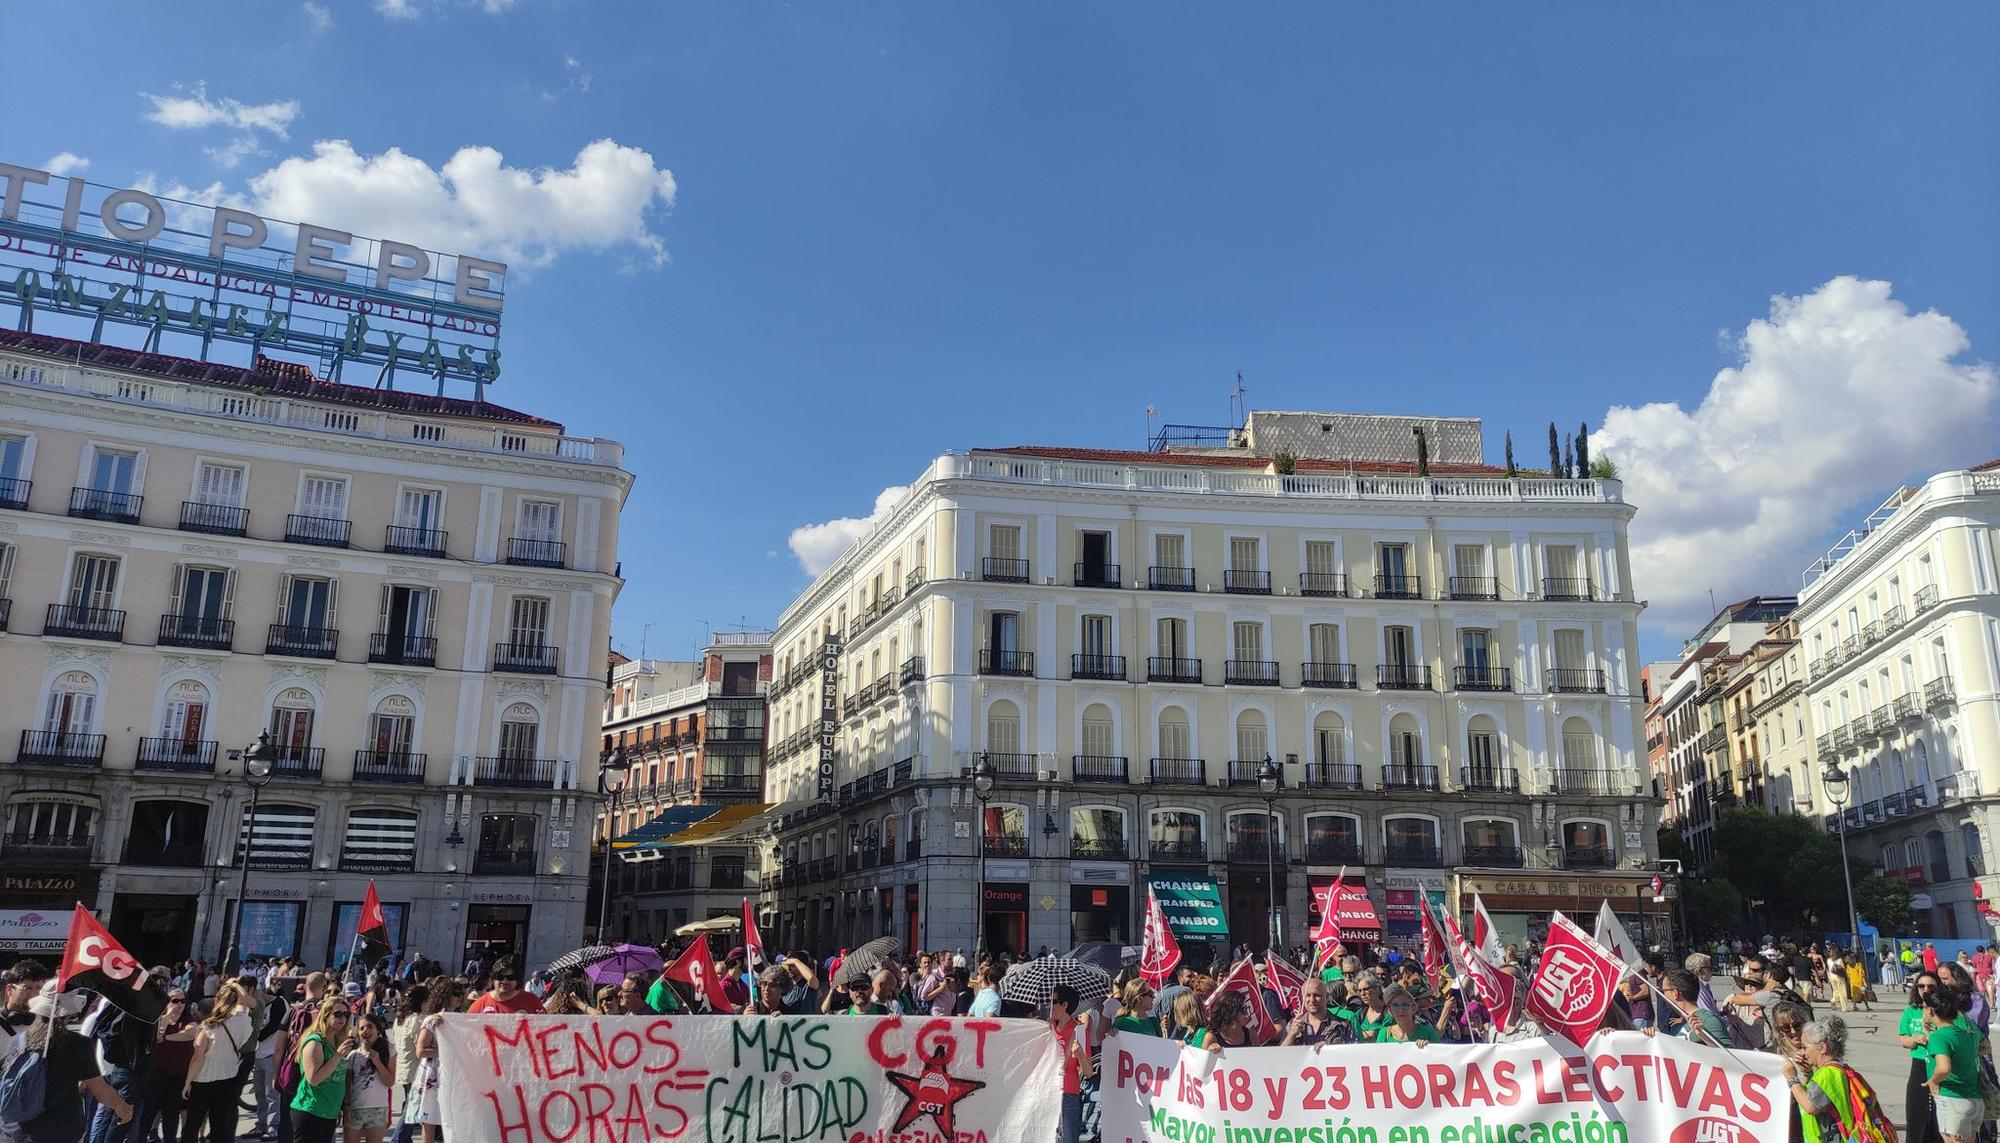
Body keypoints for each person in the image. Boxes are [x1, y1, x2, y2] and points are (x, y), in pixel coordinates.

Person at [13, 980, 132, 1143]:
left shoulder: (20, 1039)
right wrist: (122, 1107)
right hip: (63, 1126)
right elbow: (99, 1088)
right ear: (67, 1012)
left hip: (23, 1124)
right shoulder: (77, 1044)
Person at [1781, 1016, 1892, 1143]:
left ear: (1822, 1048)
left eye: (1805, 1047)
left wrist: (1792, 1078)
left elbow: (1809, 1105)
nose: (1803, 1052)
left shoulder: (1827, 1074)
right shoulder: (1841, 1069)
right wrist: (1806, 1071)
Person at [182, 980, 253, 1143]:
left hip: (203, 1080)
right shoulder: (243, 1021)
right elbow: (245, 1002)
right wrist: (236, 986)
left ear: (216, 1001)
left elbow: (197, 1058)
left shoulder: (208, 1026)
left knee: (192, 1124)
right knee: (219, 1125)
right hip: (227, 1079)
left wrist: (187, 1083)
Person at [131, 988, 197, 1143]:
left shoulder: (188, 1019)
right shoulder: (158, 1018)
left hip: (177, 1075)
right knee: (148, 1113)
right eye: (175, 1000)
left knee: (171, 1115)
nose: (179, 1004)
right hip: (155, 1075)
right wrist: (165, 1022)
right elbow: (154, 1037)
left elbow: (191, 1033)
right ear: (167, 1002)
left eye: (182, 1001)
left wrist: (166, 1037)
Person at [1921, 984, 1982, 1143]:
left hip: (1953, 1098)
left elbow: (1944, 1068)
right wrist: (1930, 1033)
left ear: (1931, 1011)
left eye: (1924, 1007)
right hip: (1974, 1099)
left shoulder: (1940, 1037)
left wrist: (1933, 1081)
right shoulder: (1965, 1033)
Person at [402, 980, 462, 1143]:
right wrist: (445, 1051)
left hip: (452, 1074)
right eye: (455, 994)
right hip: (433, 1074)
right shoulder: (432, 1020)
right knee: (429, 1121)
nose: (459, 998)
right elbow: (420, 1051)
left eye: (460, 994)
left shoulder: (460, 1019)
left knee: (450, 1120)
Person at [287, 1003, 351, 1143]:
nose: (342, 1018)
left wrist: (341, 1106)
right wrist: (338, 1056)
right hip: (311, 1109)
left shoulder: (337, 1040)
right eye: (337, 1014)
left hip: (329, 1111)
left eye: (346, 1015)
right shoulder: (315, 1041)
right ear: (325, 1015)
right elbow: (314, 1079)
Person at [1898, 972, 1943, 1143]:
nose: (1926, 990)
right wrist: (1914, 1039)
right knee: (1917, 1109)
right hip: (1919, 1064)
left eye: (1931, 986)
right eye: (1921, 986)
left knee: (1939, 1113)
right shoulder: (1911, 1011)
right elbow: (1903, 1038)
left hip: (1939, 1062)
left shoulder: (1943, 1009)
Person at [1048, 984, 1092, 1143]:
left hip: (1068, 1094)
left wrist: (1080, 1054)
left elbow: (1088, 1072)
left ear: (1065, 1005)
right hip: (1047, 1092)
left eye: (1053, 1001)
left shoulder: (1079, 1031)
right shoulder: (1048, 1027)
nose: (1049, 1005)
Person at [346, 1012, 397, 1143]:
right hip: (355, 1108)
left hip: (378, 1109)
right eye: (361, 1028)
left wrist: (378, 1062)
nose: (366, 1031)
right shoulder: (353, 1056)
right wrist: (346, 1107)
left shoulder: (388, 1050)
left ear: (378, 1029)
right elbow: (347, 1084)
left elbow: (390, 1082)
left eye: (370, 1026)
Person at [1658, 969, 1728, 1047]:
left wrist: (1705, 1037)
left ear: (1675, 993)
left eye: (1663, 991)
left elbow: (1731, 1055)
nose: (1663, 996)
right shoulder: (1686, 1020)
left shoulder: (1708, 1020)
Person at [1280, 977, 1351, 1045]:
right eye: (1307, 995)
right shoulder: (1293, 1024)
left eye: (1317, 995)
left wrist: (1329, 1049)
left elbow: (1354, 1053)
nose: (1312, 1000)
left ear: (1326, 997)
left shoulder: (1343, 1025)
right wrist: (1291, 1035)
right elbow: (1281, 1054)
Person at [467, 959, 544, 1015]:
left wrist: (543, 1022)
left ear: (517, 979)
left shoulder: (532, 1002)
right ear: (492, 979)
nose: (505, 981)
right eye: (500, 977)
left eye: (510, 977)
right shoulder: (479, 1006)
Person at [1349, 975, 1394, 1043]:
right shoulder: (1360, 1014)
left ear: (1377, 989)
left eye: (1366, 989)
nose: (1362, 993)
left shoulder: (1389, 1013)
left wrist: (1374, 1034)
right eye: (1360, 990)